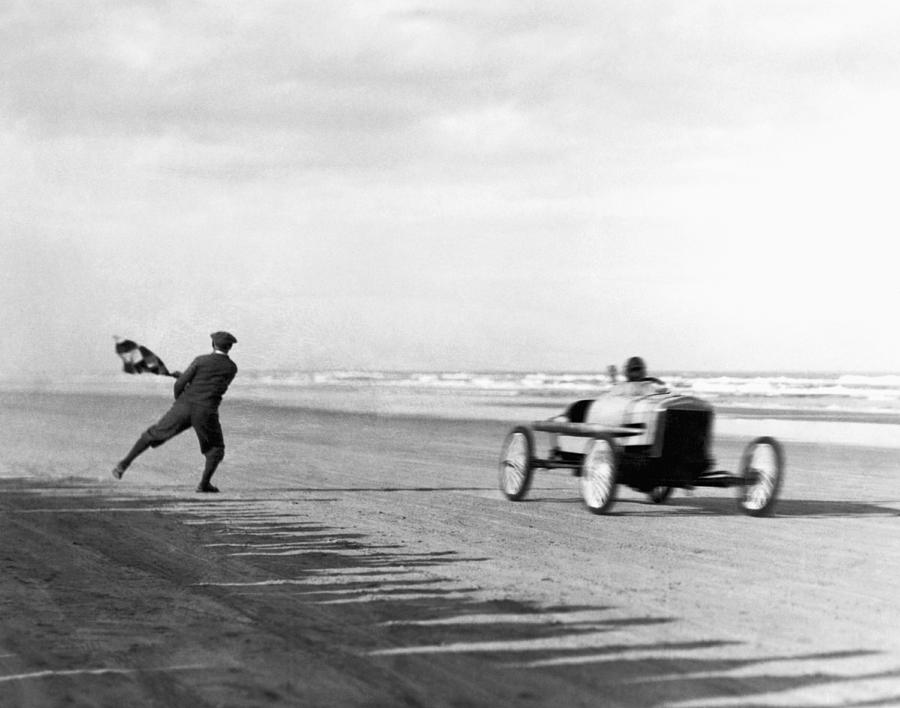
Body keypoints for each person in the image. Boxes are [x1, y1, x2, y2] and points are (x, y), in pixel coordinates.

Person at [112, 331, 238, 493]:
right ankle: (204, 484)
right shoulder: (231, 368)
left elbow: (180, 385)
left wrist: (181, 400)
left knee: (153, 434)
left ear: (213, 345)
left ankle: (123, 465)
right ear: (229, 347)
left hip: (184, 406)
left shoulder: (200, 360)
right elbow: (211, 387)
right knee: (215, 449)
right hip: (206, 411)